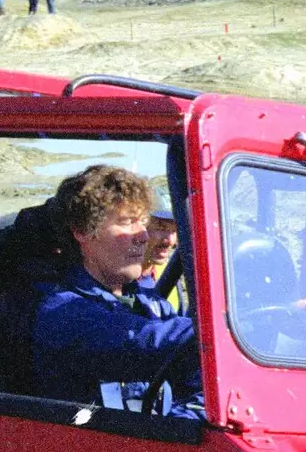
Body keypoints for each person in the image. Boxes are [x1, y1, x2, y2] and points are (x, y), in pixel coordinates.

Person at [25, 167, 201, 415]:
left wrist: (184, 423)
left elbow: (197, 381)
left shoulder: (150, 303)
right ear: (83, 231)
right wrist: (227, 330)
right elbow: (149, 345)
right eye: (127, 222)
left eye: (143, 221)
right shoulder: (63, 312)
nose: (143, 235)